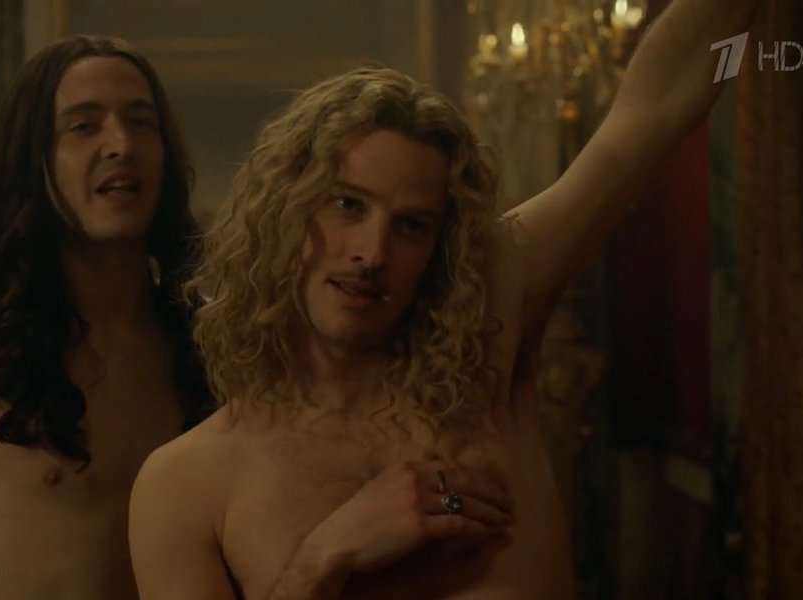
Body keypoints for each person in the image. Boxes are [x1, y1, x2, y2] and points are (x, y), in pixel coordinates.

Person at [128, 0, 758, 597]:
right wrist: (326, 556)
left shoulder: (486, 333)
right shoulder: (186, 481)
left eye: (411, 225)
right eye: (347, 205)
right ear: (285, 213)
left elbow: (659, 108)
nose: (373, 252)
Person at [0, 35, 210, 599]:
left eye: (141, 122)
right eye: (84, 126)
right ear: (34, 162)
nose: (121, 145)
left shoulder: (210, 344)